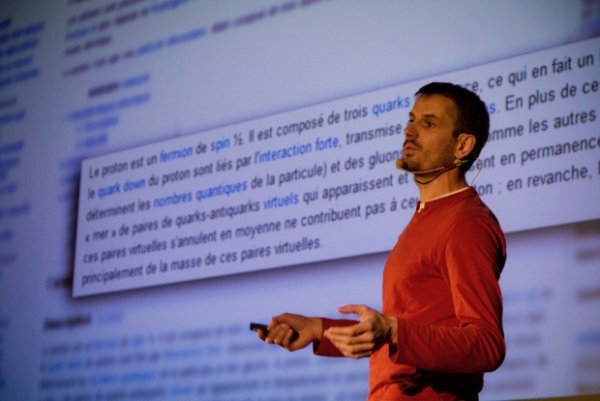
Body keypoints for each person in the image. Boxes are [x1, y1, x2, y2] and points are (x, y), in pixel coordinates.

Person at [256, 82, 507, 400]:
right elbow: (404, 329)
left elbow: (487, 345)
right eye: (411, 119)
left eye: (428, 123)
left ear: (463, 146)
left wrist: (392, 330)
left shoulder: (466, 223)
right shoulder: (427, 217)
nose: (410, 131)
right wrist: (318, 329)